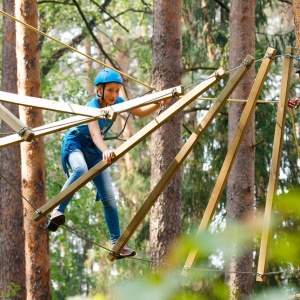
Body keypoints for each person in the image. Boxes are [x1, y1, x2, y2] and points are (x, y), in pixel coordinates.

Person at [47, 68, 168, 258]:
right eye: (110, 90)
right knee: (80, 169)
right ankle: (57, 211)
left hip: (95, 151)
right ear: (99, 90)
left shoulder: (118, 102)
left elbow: (140, 111)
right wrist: (106, 151)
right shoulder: (91, 107)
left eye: (117, 90)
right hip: (76, 144)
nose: (114, 95)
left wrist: (158, 104)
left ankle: (117, 243)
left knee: (110, 198)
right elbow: (95, 135)